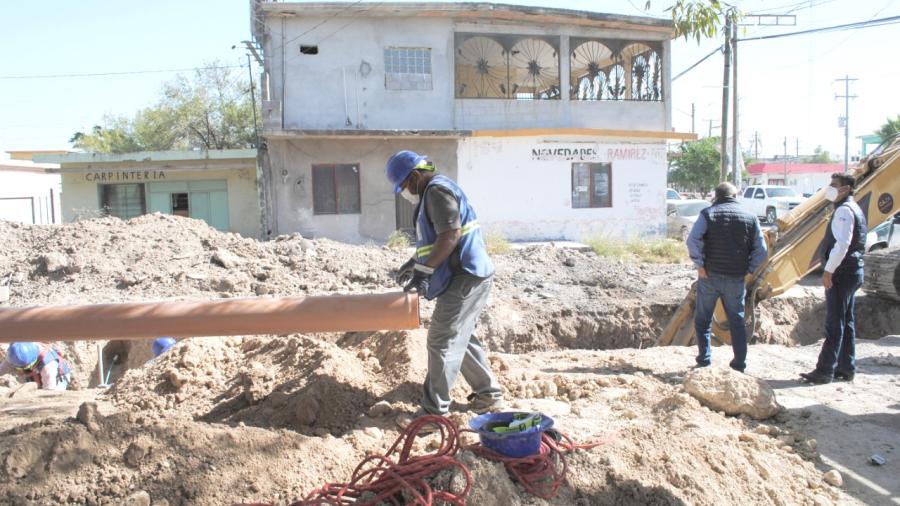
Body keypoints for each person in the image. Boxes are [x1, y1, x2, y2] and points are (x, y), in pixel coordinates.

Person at [385, 150, 504, 415]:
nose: (405, 192)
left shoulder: (436, 192)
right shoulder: (434, 191)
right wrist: (416, 262)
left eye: (404, 186)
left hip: (467, 277)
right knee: (460, 336)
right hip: (470, 274)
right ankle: (489, 395)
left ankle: (433, 412)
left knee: (440, 340)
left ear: (415, 176)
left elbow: (450, 235)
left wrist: (424, 271)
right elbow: (436, 237)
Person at [687, 182, 768, 373]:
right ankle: (739, 364)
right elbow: (762, 250)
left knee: (703, 320)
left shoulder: (708, 214)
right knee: (737, 322)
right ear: (735, 195)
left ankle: (704, 360)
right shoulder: (750, 217)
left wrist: (699, 265)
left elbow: (692, 240)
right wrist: (750, 269)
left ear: (716, 196)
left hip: (710, 276)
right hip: (736, 277)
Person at [800, 173, 867, 384]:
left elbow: (842, 244)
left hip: (842, 272)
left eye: (834, 185)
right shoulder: (853, 208)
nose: (830, 188)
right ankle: (846, 367)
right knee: (846, 321)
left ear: (846, 189)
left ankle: (825, 370)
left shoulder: (844, 211)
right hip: (852, 271)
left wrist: (828, 271)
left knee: (835, 323)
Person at [0, 342, 73, 390]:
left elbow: (50, 392)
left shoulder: (49, 366)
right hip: (36, 372)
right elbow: (3, 368)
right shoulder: (14, 355)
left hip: (58, 377)